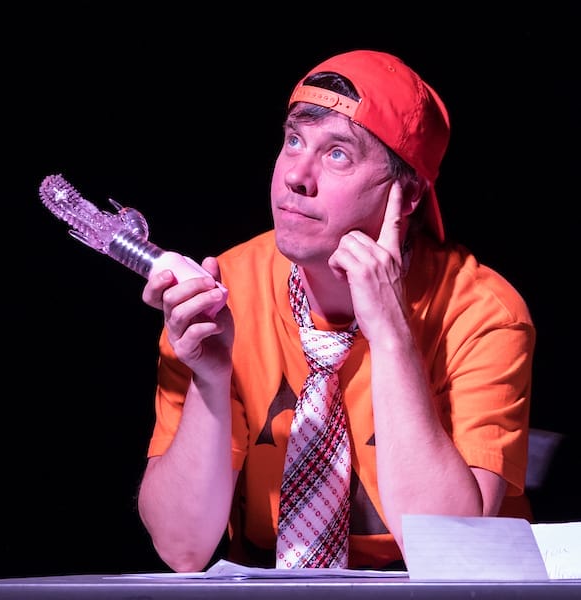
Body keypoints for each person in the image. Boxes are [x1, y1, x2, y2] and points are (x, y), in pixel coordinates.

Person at [136, 49, 535, 572]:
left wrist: (390, 335)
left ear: (408, 194)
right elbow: (181, 548)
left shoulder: (482, 313)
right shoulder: (224, 293)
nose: (296, 176)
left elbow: (453, 554)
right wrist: (209, 381)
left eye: (338, 154)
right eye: (294, 140)